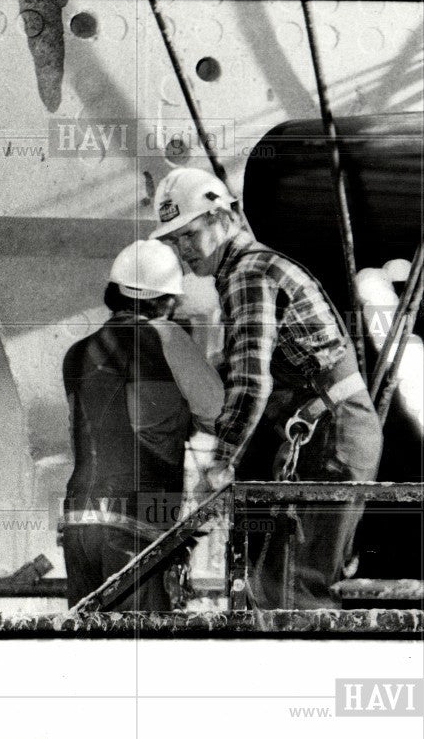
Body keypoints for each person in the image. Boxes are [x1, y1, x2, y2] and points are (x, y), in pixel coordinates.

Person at [150, 167, 382, 609]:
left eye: (189, 234)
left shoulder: (247, 275)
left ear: (222, 217)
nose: (182, 251)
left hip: (328, 438)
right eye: (173, 240)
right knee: (280, 580)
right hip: (332, 432)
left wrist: (221, 461)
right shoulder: (253, 270)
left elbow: (252, 380)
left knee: (288, 589)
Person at [61, 240, 223, 609]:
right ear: (164, 300)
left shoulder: (77, 353)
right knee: (139, 649)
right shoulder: (165, 336)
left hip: (79, 520)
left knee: (88, 640)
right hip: (138, 523)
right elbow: (218, 412)